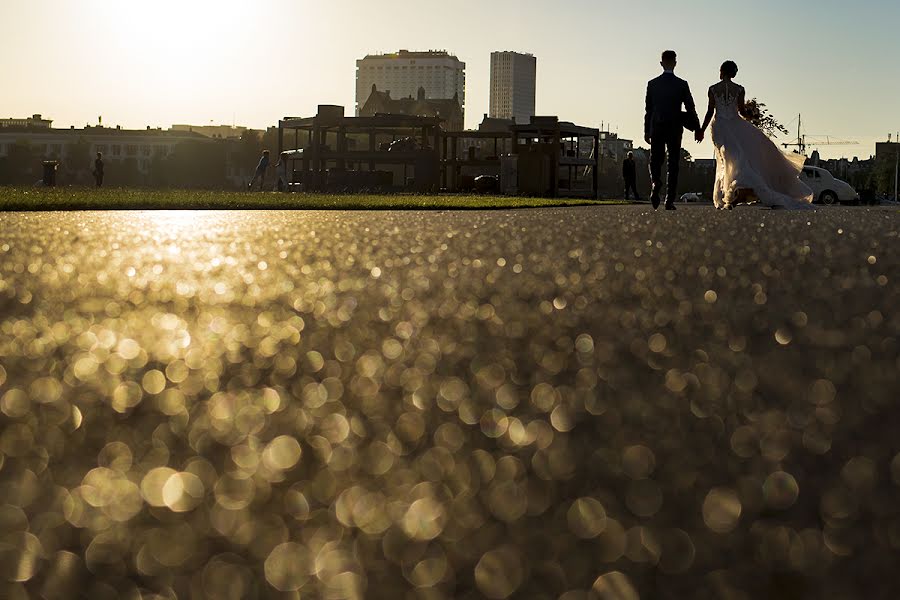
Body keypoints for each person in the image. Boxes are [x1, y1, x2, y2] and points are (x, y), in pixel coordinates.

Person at [696, 61, 813, 210]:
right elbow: (741, 112)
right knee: (738, 157)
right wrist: (752, 116)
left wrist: (701, 129)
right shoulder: (739, 89)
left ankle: (733, 193)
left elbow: (710, 111)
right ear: (733, 73)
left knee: (728, 159)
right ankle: (735, 192)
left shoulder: (712, 89)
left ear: (721, 71)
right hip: (736, 126)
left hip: (719, 127)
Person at [644, 50, 699, 210]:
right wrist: (697, 127)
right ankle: (669, 200)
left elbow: (648, 110)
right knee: (673, 162)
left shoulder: (652, 84)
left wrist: (647, 130)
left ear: (661, 63)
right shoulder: (682, 84)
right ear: (675, 63)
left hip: (657, 126)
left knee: (655, 159)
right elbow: (690, 107)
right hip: (675, 127)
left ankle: (655, 182)